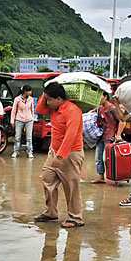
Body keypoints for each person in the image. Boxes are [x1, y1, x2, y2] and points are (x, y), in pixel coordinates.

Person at [33, 83, 85, 228]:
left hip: (71, 154)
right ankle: (51, 212)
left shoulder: (73, 111)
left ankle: (76, 218)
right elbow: (39, 108)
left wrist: (61, 156)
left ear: (59, 99)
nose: (47, 102)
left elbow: (71, 135)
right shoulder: (53, 109)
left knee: (71, 186)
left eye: (50, 99)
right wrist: (46, 87)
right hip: (54, 151)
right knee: (47, 179)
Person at [90, 91, 124, 184]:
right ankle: (101, 177)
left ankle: (112, 177)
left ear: (105, 97)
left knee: (108, 159)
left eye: (100, 96)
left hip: (110, 137)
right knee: (98, 158)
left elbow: (122, 121)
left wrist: (118, 134)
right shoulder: (99, 109)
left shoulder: (112, 109)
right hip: (100, 136)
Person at [10, 85, 35, 158]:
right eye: (29, 91)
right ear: (24, 92)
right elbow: (14, 110)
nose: (30, 92)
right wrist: (12, 121)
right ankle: (16, 151)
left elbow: (32, 109)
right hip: (19, 120)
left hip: (29, 120)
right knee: (17, 137)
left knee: (29, 137)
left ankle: (30, 151)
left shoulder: (31, 99)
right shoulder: (17, 99)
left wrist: (32, 118)